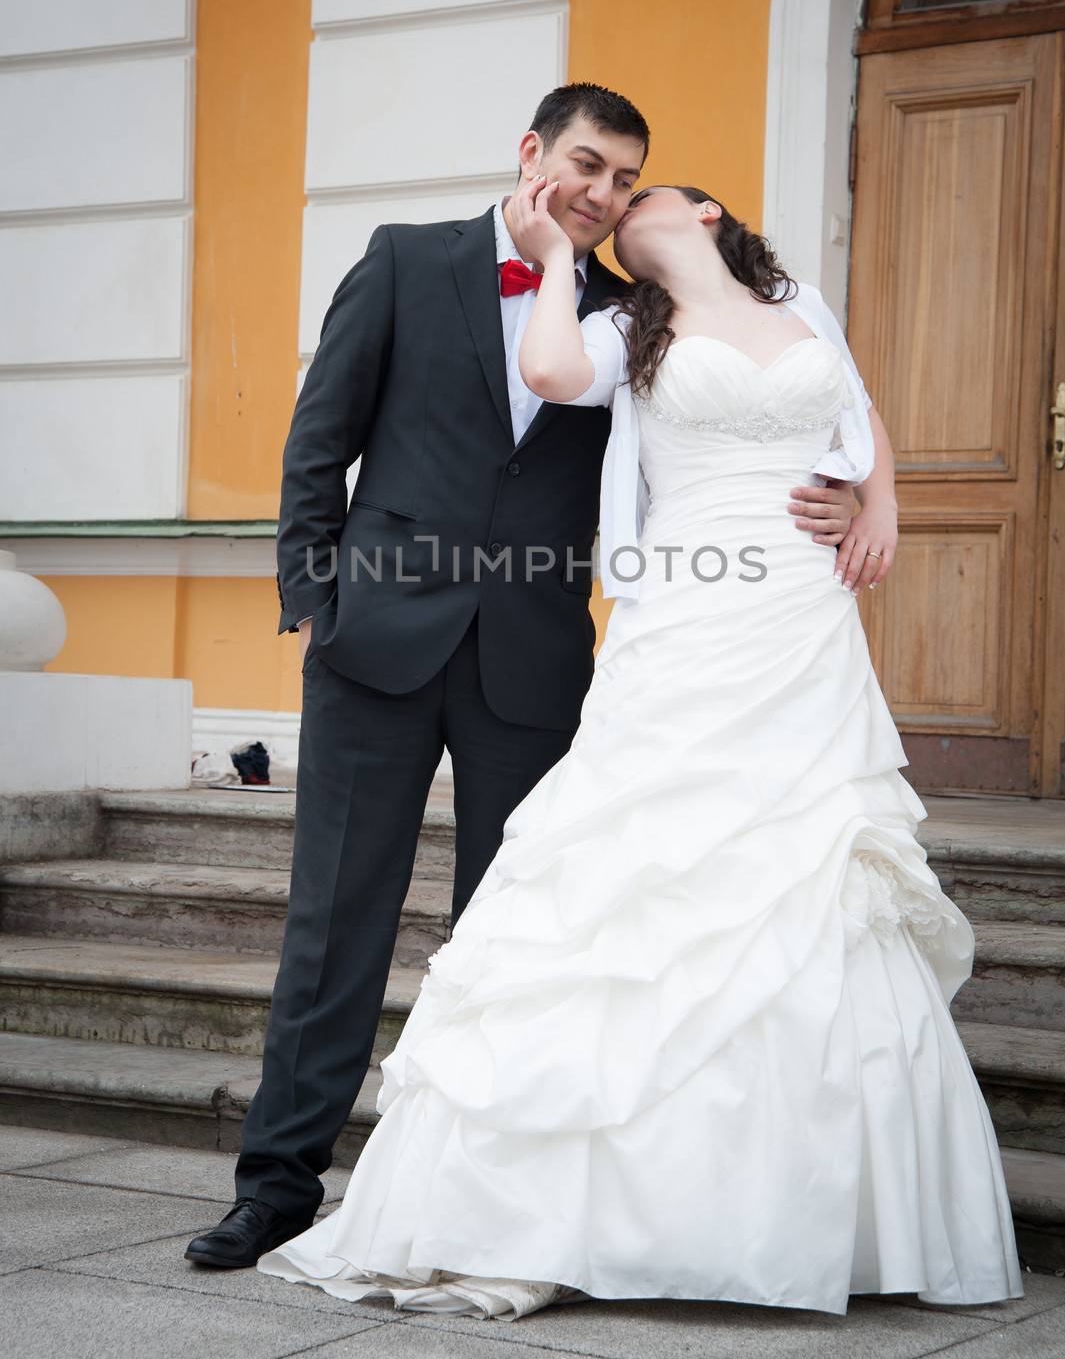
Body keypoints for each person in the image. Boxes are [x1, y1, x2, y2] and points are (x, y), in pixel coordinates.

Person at [253, 182, 1024, 1317]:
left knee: (803, 862)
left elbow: (858, 418)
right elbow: (553, 375)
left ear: (707, 211)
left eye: (638, 194)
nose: (616, 215)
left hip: (799, 616)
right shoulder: (629, 323)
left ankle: (811, 1205)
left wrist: (882, 507)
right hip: (690, 604)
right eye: (602, 210)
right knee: (642, 864)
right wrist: (556, 263)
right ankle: (513, 1201)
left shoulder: (796, 299)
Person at [183, 85, 862, 1271]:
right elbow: (319, 439)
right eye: (587, 166)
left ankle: (450, 1188)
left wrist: (851, 487)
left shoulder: (632, 313)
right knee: (334, 924)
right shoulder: (405, 260)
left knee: (505, 937)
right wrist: (315, 602)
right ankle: (277, 1186)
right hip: (376, 646)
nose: (600, 197)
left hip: (537, 662)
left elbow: (754, 414)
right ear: (532, 152)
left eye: (620, 179)